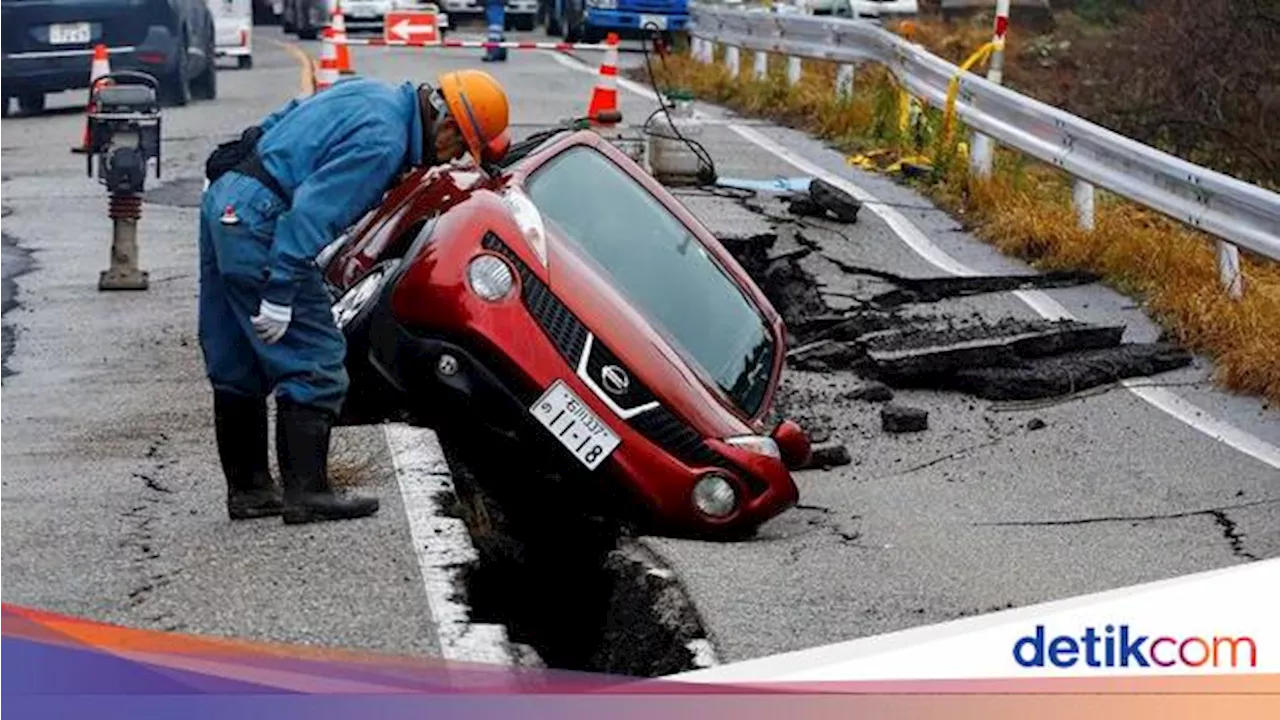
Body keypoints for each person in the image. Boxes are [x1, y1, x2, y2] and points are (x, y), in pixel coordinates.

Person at [198, 70, 511, 525]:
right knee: (317, 356)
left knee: (234, 353)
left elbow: (292, 112)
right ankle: (307, 493)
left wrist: (247, 150)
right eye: (459, 146)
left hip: (228, 199)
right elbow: (311, 214)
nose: (452, 157)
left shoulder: (373, 91)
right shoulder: (383, 144)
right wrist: (282, 288)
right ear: (445, 125)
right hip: (259, 221)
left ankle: (249, 490)